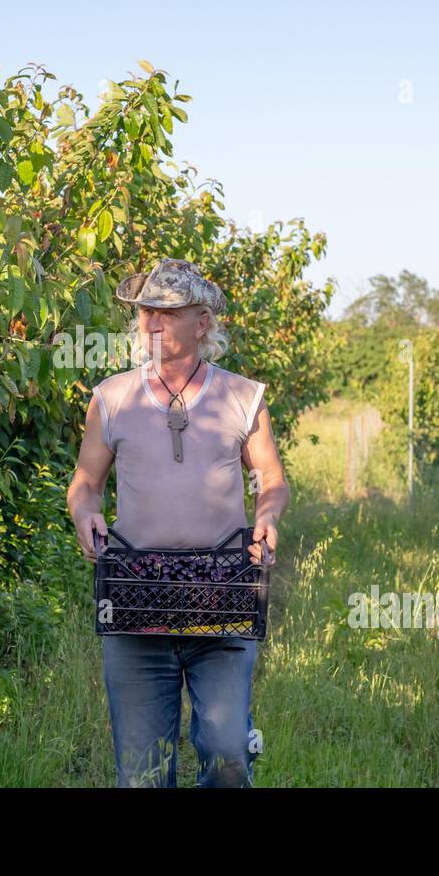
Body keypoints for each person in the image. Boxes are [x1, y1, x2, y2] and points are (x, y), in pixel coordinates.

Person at [66, 257, 290, 787]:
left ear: (203, 322)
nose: (152, 323)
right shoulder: (112, 398)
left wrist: (268, 516)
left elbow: (271, 479)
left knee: (228, 752)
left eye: (168, 312)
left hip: (222, 595)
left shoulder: (242, 397)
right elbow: (86, 484)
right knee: (142, 776)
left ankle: (239, 735)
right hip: (136, 599)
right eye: (146, 312)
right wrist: (85, 514)